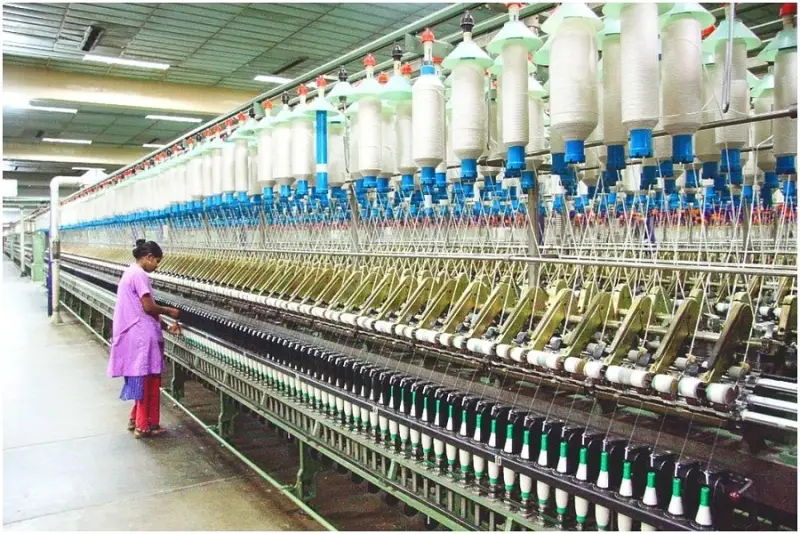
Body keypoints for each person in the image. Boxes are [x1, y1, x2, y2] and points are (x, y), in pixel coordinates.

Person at [108, 239, 181, 438]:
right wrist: (170, 311)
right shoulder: (139, 275)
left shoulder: (130, 272)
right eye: (156, 261)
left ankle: (136, 419)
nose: (157, 266)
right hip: (141, 336)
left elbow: (143, 311)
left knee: (141, 379)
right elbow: (148, 307)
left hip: (137, 332)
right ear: (148, 257)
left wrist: (165, 326)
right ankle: (145, 425)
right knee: (148, 381)